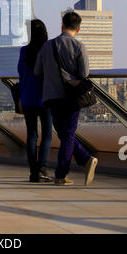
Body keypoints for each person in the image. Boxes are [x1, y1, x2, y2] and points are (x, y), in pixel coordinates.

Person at [34, 11, 98, 186]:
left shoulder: (47, 46)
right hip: (71, 97)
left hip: (52, 97)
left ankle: (86, 160)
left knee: (64, 133)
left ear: (62, 25)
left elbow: (37, 72)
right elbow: (84, 74)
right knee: (68, 134)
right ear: (79, 28)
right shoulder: (79, 47)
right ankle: (61, 174)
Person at [18, 19, 53, 182]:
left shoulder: (23, 52)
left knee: (31, 134)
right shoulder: (47, 51)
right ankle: (42, 168)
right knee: (46, 134)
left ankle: (33, 172)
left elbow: (20, 72)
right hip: (44, 98)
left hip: (26, 98)